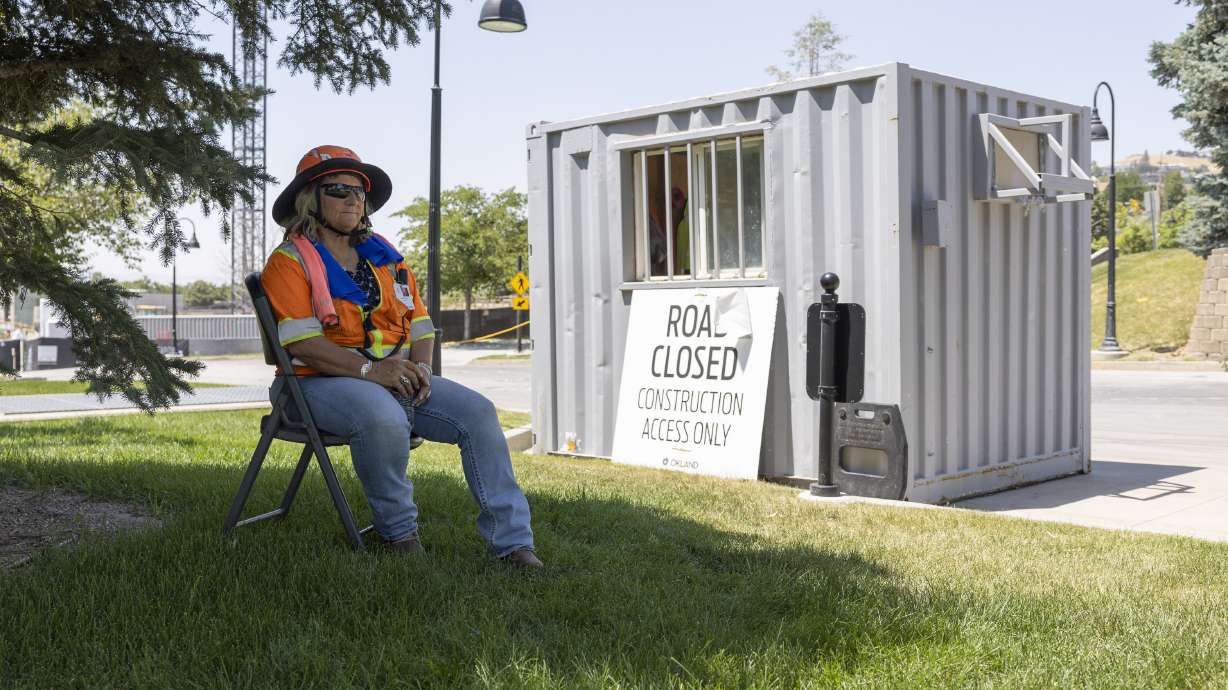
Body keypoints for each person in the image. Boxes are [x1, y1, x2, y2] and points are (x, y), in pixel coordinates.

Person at [261, 145, 541, 567]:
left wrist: (422, 368)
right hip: (311, 385)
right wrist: (372, 371)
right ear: (310, 199)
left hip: (390, 377)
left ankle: (514, 543)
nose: (353, 199)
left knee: (479, 412)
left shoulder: (385, 258)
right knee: (382, 415)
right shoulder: (289, 261)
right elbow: (302, 344)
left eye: (359, 192)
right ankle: (399, 534)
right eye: (338, 190)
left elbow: (421, 325)